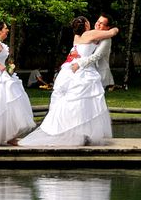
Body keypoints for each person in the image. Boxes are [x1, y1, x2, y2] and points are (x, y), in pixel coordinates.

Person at [20, 16, 119, 146]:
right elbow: (112, 33)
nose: (95, 23)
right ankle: (78, 132)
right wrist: (116, 28)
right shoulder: (90, 34)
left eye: (101, 23)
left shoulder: (76, 37)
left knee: (72, 102)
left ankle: (72, 131)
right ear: (86, 25)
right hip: (81, 70)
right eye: (91, 22)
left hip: (69, 70)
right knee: (82, 102)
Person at [71, 13, 116, 90]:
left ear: (107, 27)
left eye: (101, 23)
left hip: (98, 73)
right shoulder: (90, 35)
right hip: (85, 70)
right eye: (98, 21)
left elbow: (96, 56)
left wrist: (79, 64)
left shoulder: (106, 39)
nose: (98, 24)